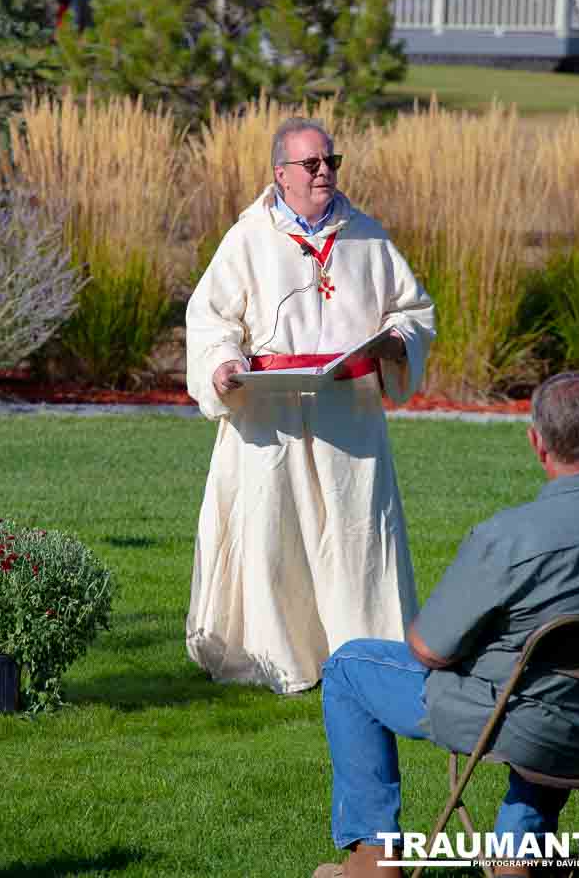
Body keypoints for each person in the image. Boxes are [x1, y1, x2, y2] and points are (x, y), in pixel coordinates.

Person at [315, 371, 579, 878]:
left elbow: (429, 649)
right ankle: (516, 852)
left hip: (532, 723)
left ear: (536, 442)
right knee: (556, 687)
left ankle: (372, 861)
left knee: (347, 668)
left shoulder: (508, 539)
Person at [185, 116, 435, 695]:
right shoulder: (247, 238)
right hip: (268, 416)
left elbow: (412, 309)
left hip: (347, 414)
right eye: (312, 164)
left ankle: (362, 653)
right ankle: (278, 658)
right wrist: (222, 363)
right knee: (273, 535)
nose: (325, 172)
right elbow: (211, 319)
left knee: (355, 535)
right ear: (281, 174)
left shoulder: (367, 236)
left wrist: (398, 339)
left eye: (331, 162)